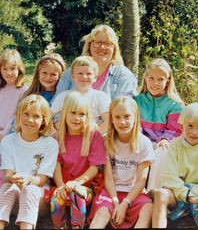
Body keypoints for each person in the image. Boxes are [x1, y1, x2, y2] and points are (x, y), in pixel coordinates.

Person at [89, 96, 154, 229]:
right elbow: (108, 178)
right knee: (102, 212)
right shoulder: (106, 141)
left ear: (135, 117)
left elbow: (141, 181)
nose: (122, 122)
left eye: (127, 116)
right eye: (117, 117)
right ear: (111, 119)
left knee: (148, 208)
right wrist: (115, 201)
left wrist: (125, 203)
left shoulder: (144, 143)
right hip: (111, 191)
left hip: (134, 192)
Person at [0, 94, 59, 229]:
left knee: (30, 190)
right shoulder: (8, 141)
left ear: (44, 120)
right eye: (26, 114)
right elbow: (8, 175)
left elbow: (41, 180)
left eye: (36, 116)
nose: (30, 120)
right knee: (7, 187)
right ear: (19, 115)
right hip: (14, 195)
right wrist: (14, 178)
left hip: (39, 198)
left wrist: (28, 179)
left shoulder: (50, 144)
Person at [50, 91, 106, 229]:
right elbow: (56, 167)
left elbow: (93, 169)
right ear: (65, 114)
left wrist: (75, 184)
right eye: (73, 113)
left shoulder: (93, 136)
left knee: (77, 194)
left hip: (85, 186)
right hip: (62, 184)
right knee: (55, 203)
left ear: (88, 116)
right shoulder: (57, 138)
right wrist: (61, 186)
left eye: (82, 114)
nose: (77, 118)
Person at [134, 58, 184, 190]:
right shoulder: (137, 100)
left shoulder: (174, 104)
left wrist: (165, 139)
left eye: (161, 79)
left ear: (168, 81)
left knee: (161, 152)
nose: (155, 83)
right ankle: (130, 190)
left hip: (161, 143)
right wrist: (138, 137)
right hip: (141, 139)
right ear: (145, 78)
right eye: (151, 78)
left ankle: (153, 191)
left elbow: (174, 130)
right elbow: (134, 124)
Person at [53, 25, 137, 101]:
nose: (102, 47)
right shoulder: (71, 72)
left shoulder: (123, 75)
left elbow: (123, 111)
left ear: (114, 48)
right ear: (89, 46)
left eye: (107, 44)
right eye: (97, 43)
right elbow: (56, 106)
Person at [152, 103, 198, 228]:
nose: (195, 132)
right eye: (190, 126)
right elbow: (168, 176)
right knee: (161, 193)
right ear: (181, 125)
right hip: (179, 192)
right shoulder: (175, 145)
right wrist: (188, 195)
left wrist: (194, 194)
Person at [51, 56, 111, 135]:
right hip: (67, 138)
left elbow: (108, 122)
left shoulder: (100, 97)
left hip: (90, 137)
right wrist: (55, 134)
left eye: (88, 74)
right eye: (80, 73)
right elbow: (46, 118)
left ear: (95, 77)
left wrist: (94, 136)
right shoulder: (63, 96)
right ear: (72, 76)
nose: (84, 77)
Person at [0, 49, 28, 141]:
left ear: (19, 70)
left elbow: (17, 115)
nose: (9, 73)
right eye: (5, 69)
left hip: (10, 133)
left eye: (13, 68)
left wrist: (3, 134)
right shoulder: (1, 88)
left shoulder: (24, 90)